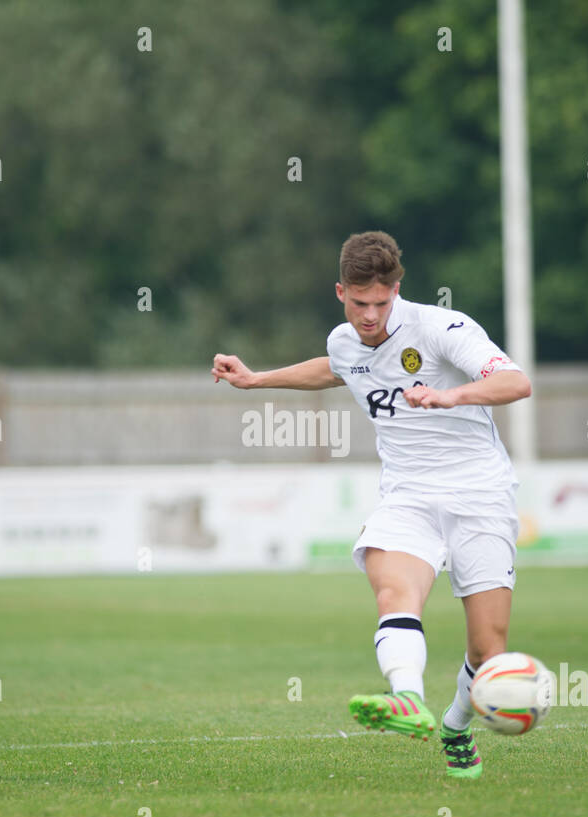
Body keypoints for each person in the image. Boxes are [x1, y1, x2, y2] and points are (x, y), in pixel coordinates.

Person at [212, 231, 532, 778]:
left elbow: (515, 382)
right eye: (359, 303)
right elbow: (335, 368)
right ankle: (407, 698)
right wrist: (257, 379)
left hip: (480, 491)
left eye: (381, 303)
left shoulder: (440, 328)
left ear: (396, 290)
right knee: (394, 590)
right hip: (407, 494)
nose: (370, 315)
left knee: (487, 650)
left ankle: (455, 726)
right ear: (341, 291)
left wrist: (450, 394)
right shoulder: (345, 340)